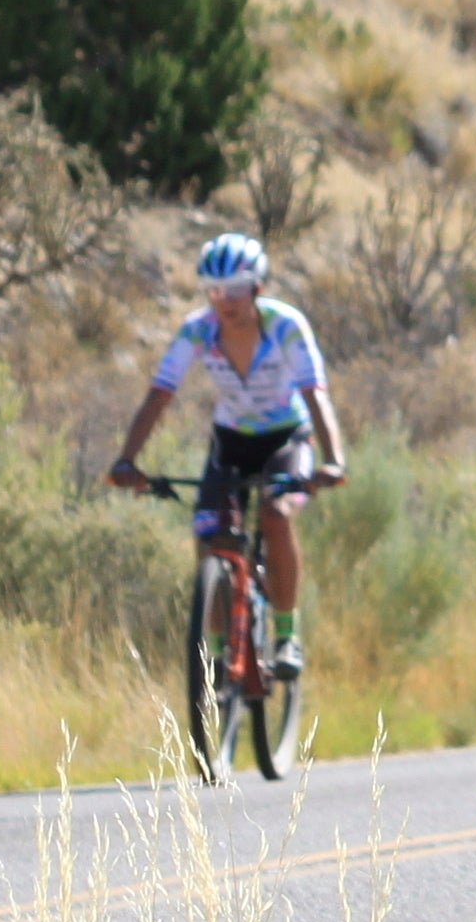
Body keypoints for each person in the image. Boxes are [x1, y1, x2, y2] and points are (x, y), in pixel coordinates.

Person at [106, 232, 347, 678]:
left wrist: (333, 460)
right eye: (215, 291)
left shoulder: (286, 326)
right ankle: (216, 654)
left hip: (286, 440)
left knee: (276, 516)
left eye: (235, 289)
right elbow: (159, 396)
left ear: (257, 287)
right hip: (231, 440)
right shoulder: (197, 330)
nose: (225, 301)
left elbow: (316, 396)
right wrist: (126, 460)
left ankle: (286, 635)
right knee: (211, 533)